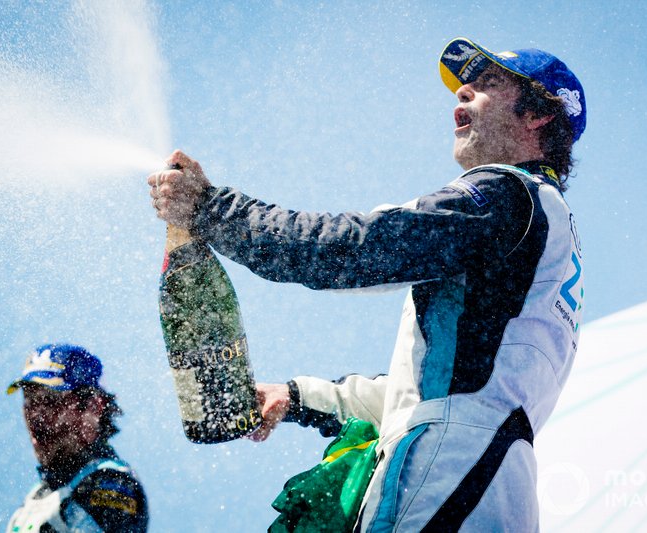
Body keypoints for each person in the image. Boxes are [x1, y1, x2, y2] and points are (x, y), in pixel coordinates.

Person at [149, 36, 585, 532]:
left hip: (446, 484)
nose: (461, 92)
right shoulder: (542, 232)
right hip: (481, 484)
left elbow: (359, 248)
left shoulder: (508, 196)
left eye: (487, 83)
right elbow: (412, 396)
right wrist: (294, 396)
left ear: (539, 116)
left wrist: (213, 209)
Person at [6, 343, 148, 532]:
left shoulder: (112, 484)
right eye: (29, 400)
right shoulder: (38, 495)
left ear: (94, 408)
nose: (35, 415)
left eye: (50, 401)